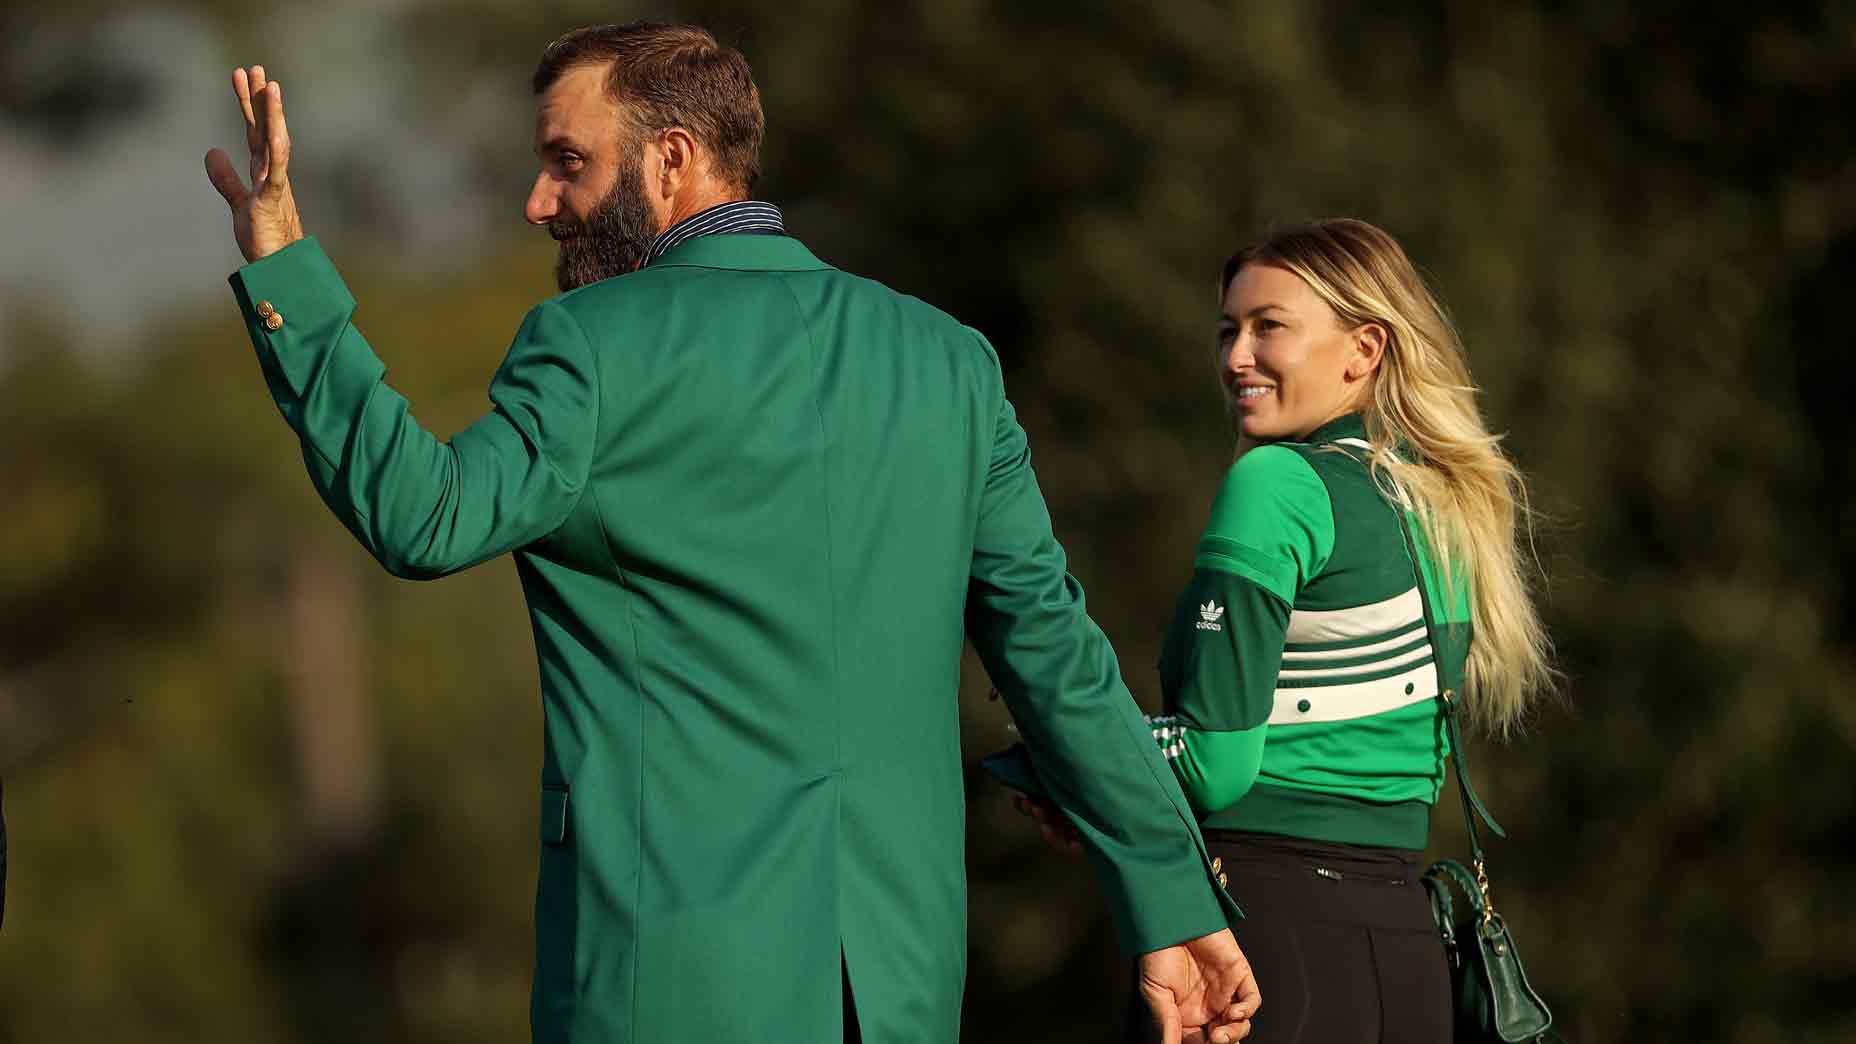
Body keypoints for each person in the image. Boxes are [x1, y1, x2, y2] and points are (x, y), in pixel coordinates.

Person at [200, 22, 1260, 1044]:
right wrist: (1169, 903)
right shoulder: (947, 360)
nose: (538, 202)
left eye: (566, 163)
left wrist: (288, 271)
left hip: (661, 979)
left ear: (670, 161)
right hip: (895, 984)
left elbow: (421, 515)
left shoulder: (588, 347)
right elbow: (1058, 662)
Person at [1021, 218, 1554, 1043]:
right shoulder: (1443, 503)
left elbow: (1213, 764)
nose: (1236, 356)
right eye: (1228, 329)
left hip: (1262, 944)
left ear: (1364, 349)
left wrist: (1070, 761)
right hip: (1410, 956)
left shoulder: (1277, 483)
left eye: (1270, 327)